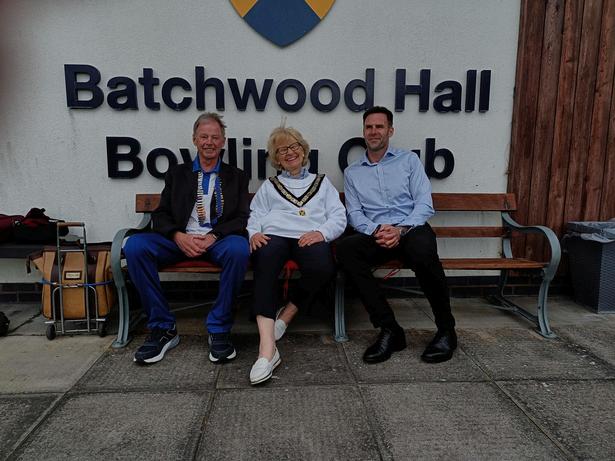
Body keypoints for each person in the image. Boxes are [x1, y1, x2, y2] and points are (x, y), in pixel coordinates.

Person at [124, 113, 250, 365]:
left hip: (217, 242)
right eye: (204, 136)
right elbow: (160, 214)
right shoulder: (177, 174)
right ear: (194, 140)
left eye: (215, 137)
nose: (209, 142)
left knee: (239, 248)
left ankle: (219, 328)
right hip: (179, 241)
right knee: (135, 246)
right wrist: (177, 235)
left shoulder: (236, 176)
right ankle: (163, 328)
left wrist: (214, 236)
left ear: (223, 141)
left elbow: (241, 218)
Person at [337, 106, 457, 364]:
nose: (374, 131)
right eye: (369, 127)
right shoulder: (353, 172)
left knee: (423, 250)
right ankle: (390, 330)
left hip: (410, 229)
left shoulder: (409, 161)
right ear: (363, 131)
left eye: (379, 126)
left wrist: (400, 229)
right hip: (377, 233)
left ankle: (446, 330)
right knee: (346, 249)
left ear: (390, 131)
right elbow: (354, 213)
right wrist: (377, 230)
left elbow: (424, 204)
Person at [247, 126, 346, 384]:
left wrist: (321, 233)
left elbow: (338, 216)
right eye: (282, 150)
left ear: (303, 151)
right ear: (276, 159)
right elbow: (256, 214)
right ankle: (267, 350)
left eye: (294, 147)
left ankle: (288, 312)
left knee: (323, 267)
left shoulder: (322, 183)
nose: (289, 153)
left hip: (308, 235)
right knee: (264, 261)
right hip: (274, 235)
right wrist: (253, 233)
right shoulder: (270, 187)